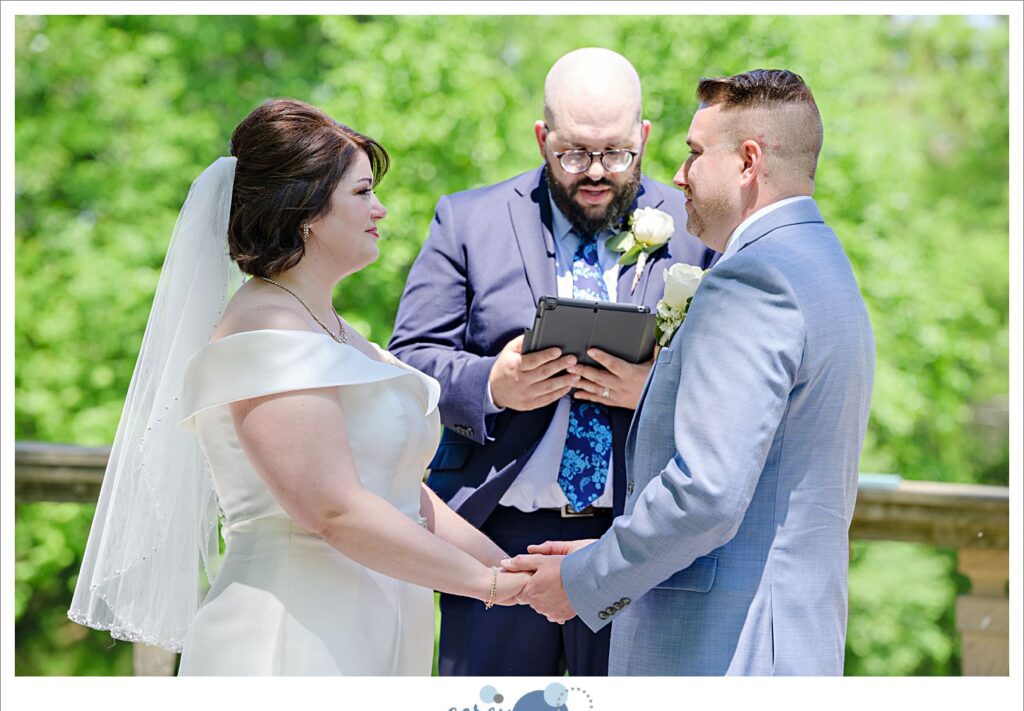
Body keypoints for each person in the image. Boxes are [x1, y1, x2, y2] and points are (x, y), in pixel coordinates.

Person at [68, 98, 531, 675]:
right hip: (291, 637)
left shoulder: (335, 330)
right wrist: (489, 587)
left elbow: (400, 493)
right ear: (308, 211)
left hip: (375, 631)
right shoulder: (265, 329)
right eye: (362, 192)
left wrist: (515, 571)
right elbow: (333, 509)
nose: (381, 209)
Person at [505, 69, 876, 676]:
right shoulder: (822, 263)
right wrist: (612, 550)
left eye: (695, 153)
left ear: (748, 161)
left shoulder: (754, 278)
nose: (679, 175)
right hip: (787, 636)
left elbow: (706, 492)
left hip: (725, 649)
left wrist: (585, 579)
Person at [388, 48, 714, 676]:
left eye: (616, 154)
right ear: (542, 138)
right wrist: (493, 384)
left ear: (645, 137)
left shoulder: (698, 229)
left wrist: (656, 390)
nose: (595, 173)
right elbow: (409, 362)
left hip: (636, 542)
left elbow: (731, 378)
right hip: (494, 540)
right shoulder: (468, 220)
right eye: (573, 154)